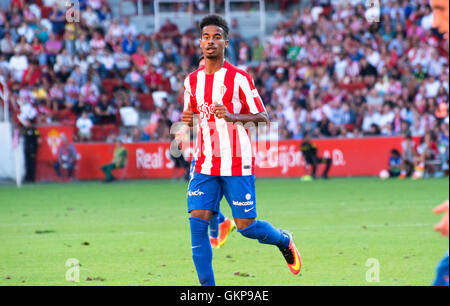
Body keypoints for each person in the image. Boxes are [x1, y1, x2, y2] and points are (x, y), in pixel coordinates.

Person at [182, 15, 301, 286]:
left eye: (216, 37)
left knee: (246, 227)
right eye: (206, 37)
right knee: (196, 224)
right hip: (204, 163)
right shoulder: (191, 81)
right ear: (200, 43)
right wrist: (183, 127)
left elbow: (263, 117)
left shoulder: (240, 78)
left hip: (237, 162)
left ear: (226, 41)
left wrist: (234, 117)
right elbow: (190, 114)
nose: (211, 41)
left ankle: (284, 240)